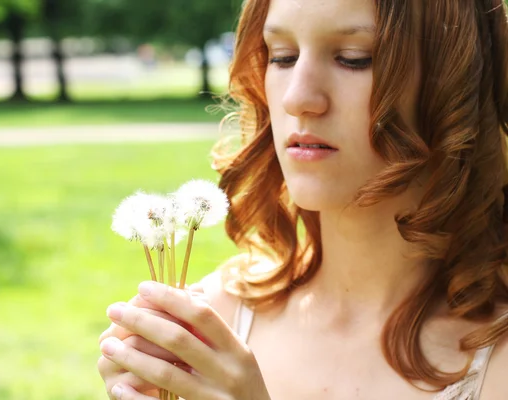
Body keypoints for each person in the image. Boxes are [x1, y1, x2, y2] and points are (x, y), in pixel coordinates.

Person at [98, 0, 508, 398]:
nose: (298, 97)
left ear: (453, 83)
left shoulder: (496, 359)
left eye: (353, 58)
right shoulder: (211, 326)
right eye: (282, 56)